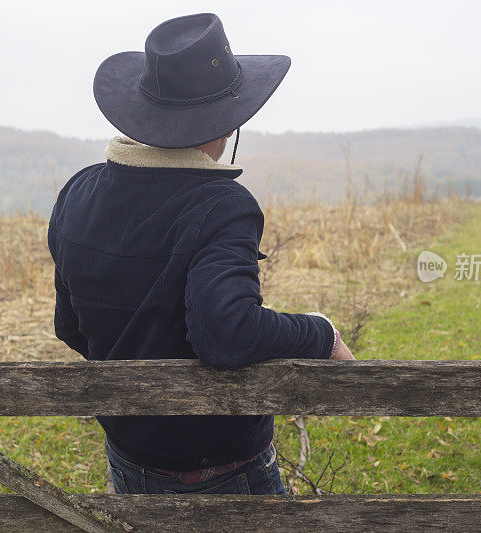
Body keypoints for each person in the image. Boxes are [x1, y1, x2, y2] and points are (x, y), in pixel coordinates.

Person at [47, 12, 354, 496]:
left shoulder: (79, 191)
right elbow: (227, 333)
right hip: (222, 470)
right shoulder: (220, 205)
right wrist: (321, 333)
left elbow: (69, 326)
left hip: (128, 453)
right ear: (227, 122)